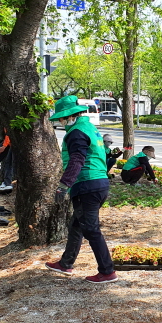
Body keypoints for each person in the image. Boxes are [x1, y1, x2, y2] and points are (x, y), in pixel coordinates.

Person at [45, 95, 117, 284]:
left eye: (61, 118)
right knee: (77, 225)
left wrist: (64, 185)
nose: (61, 121)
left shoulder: (77, 132)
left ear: (70, 116)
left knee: (91, 229)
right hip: (98, 182)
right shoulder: (90, 128)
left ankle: (107, 271)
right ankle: (65, 263)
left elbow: (77, 159)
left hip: (87, 184)